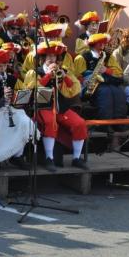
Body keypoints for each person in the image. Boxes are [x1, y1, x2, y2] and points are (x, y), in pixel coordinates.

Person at [24, 41, 88, 171]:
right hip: (42, 107)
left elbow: (74, 90)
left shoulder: (64, 71)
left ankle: (76, 158)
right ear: (43, 58)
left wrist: (65, 77)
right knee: (49, 122)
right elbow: (30, 89)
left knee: (80, 123)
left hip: (60, 108)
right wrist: (48, 75)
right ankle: (49, 158)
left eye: (53, 56)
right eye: (48, 56)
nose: (51, 59)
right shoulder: (34, 72)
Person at [74, 33, 126, 132]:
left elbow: (118, 72)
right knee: (105, 92)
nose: (103, 45)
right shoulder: (82, 57)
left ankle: (119, 124)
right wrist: (85, 81)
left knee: (119, 91)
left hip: (106, 81)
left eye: (104, 43)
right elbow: (77, 75)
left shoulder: (108, 56)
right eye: (100, 43)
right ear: (93, 44)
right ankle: (104, 124)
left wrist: (106, 70)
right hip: (90, 87)